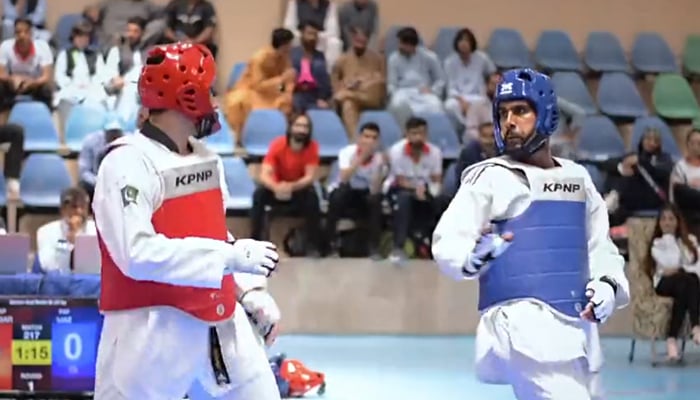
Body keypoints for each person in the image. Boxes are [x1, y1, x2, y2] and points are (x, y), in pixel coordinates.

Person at [92, 42, 283, 400]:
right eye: (208, 90)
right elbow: (136, 252)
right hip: (149, 330)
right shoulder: (126, 163)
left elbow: (214, 235)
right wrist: (228, 258)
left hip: (219, 321)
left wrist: (249, 291)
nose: (215, 100)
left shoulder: (207, 159)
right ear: (187, 95)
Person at [432, 68, 630, 400]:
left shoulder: (577, 178)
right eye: (503, 113)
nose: (509, 121)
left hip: (579, 327)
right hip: (523, 328)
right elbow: (448, 240)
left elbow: (600, 246)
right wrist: (471, 258)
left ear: (546, 113)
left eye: (520, 110)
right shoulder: (490, 177)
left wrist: (608, 285)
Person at [250, 112, 323, 256]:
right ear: (290, 128)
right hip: (276, 188)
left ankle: (314, 245)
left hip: (298, 189)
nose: (302, 130)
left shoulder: (312, 147)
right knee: (259, 195)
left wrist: (291, 187)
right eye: (298, 125)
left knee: (313, 198)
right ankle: (255, 242)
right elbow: (265, 174)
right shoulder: (278, 144)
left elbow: (309, 177)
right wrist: (276, 187)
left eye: (305, 127)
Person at [644, 205, 700, 361]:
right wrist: (681, 266)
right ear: (659, 223)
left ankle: (672, 340)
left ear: (677, 221)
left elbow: (696, 265)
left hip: (684, 283)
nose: (667, 223)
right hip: (663, 283)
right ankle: (696, 327)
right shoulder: (658, 244)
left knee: (687, 285)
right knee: (689, 280)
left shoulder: (690, 241)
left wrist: (680, 267)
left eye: (671, 219)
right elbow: (670, 264)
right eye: (663, 219)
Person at [385, 116, 443, 264]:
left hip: (425, 189)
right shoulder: (396, 151)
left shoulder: (435, 152)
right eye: (414, 133)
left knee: (442, 201)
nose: (418, 137)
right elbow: (400, 180)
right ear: (407, 134)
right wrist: (417, 190)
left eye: (421, 133)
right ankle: (398, 247)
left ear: (426, 134)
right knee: (404, 199)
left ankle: (437, 248)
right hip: (400, 189)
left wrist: (429, 193)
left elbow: (436, 179)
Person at [324, 122, 385, 257]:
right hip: (345, 190)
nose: (369, 141)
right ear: (359, 138)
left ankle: (373, 248)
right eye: (366, 137)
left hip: (365, 194)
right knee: (338, 196)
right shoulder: (347, 152)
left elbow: (376, 189)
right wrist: (362, 157)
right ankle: (330, 245)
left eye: (374, 138)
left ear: (378, 141)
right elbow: (344, 177)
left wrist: (381, 169)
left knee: (376, 201)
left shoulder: (380, 158)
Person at [36, 187, 96, 273]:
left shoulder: (96, 229)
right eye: (74, 206)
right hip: (59, 283)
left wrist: (79, 242)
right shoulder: (46, 231)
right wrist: (68, 243)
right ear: (63, 210)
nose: (79, 211)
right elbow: (47, 265)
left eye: (83, 207)